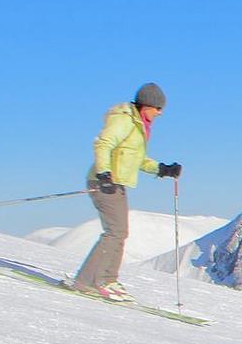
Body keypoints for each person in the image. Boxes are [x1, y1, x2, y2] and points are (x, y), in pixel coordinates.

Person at [69, 83, 181, 302]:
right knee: (115, 231)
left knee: (119, 232)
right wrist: (104, 174)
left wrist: (162, 169)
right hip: (105, 182)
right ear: (147, 105)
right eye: (158, 108)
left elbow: (135, 160)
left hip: (116, 183)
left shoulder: (139, 126)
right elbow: (103, 144)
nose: (160, 113)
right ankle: (89, 281)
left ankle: (107, 279)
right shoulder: (125, 120)